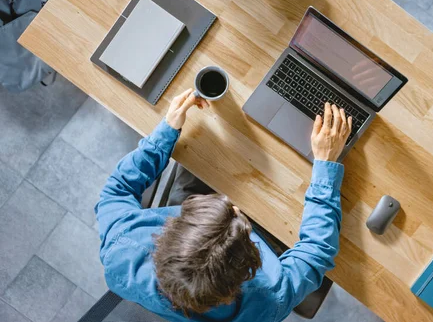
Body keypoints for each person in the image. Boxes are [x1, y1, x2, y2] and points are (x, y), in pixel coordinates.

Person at [95, 88, 352, 322]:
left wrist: (166, 130)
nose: (235, 206)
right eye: (236, 217)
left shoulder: (120, 250)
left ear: (170, 233)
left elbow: (118, 188)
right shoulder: (269, 300)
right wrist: (325, 164)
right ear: (246, 271)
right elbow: (317, 250)